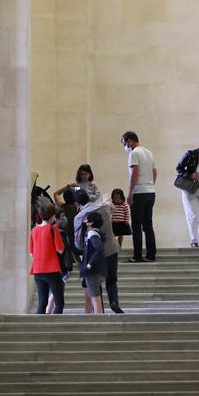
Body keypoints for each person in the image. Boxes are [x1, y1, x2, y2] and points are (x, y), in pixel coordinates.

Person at [74, 190, 123, 313]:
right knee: (111, 279)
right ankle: (114, 301)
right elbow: (114, 208)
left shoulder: (80, 217)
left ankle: (100, 310)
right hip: (111, 248)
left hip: (94, 253)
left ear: (77, 204)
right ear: (89, 198)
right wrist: (105, 200)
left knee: (96, 282)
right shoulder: (104, 207)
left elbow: (78, 241)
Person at [121, 131, 157, 262]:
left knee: (136, 225)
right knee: (148, 225)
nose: (125, 147)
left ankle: (137, 255)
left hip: (139, 192)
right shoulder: (149, 152)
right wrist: (150, 186)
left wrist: (130, 193)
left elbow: (134, 174)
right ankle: (151, 254)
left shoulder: (134, 153)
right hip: (150, 192)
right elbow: (155, 173)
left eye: (124, 144)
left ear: (130, 141)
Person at [29, 203, 65, 314]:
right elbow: (60, 249)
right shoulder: (53, 228)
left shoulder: (34, 230)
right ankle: (56, 324)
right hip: (52, 269)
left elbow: (31, 253)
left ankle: (38, 324)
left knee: (42, 301)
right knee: (59, 302)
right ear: (53, 216)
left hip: (37, 270)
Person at [80, 211, 107, 314]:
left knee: (95, 299)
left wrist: (89, 264)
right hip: (97, 270)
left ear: (90, 223)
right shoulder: (97, 232)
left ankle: (99, 320)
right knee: (90, 296)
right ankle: (89, 317)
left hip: (93, 271)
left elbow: (99, 249)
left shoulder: (92, 233)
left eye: (86, 219)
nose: (84, 221)